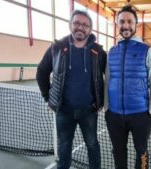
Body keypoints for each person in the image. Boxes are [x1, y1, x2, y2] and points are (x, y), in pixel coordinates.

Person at [36, 10, 106, 169]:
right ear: (70, 25)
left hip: (89, 110)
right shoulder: (57, 48)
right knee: (64, 146)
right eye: (77, 23)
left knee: (92, 145)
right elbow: (41, 71)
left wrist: (102, 100)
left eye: (85, 25)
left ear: (90, 29)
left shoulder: (98, 51)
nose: (80, 27)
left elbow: (108, 77)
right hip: (63, 111)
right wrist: (48, 98)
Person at [104, 5, 151, 169]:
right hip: (114, 116)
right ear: (117, 24)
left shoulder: (147, 51)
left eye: (130, 21)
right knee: (118, 152)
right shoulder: (112, 51)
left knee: (141, 152)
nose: (125, 25)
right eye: (122, 21)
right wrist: (107, 108)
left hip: (140, 115)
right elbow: (107, 81)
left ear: (137, 25)